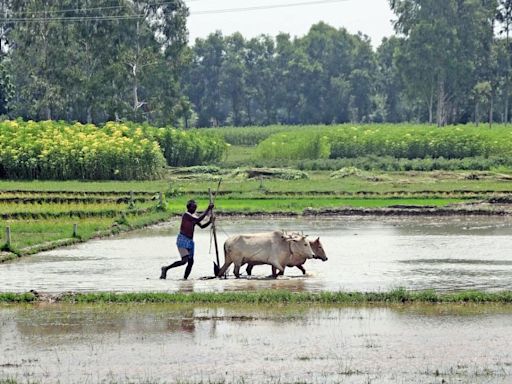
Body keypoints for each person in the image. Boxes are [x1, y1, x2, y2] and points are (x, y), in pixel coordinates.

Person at [160, 199, 214, 280]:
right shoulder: (186, 215)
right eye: (193, 207)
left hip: (190, 241)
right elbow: (198, 220)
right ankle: (166, 268)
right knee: (184, 261)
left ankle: (185, 279)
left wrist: (210, 222)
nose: (195, 209)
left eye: (195, 207)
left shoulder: (193, 216)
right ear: (189, 208)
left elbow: (202, 226)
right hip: (182, 239)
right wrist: (208, 209)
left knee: (191, 262)